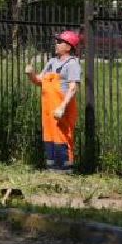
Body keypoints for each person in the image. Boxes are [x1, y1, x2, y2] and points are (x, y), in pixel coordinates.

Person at [25, 30, 82, 170]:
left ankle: (64, 170)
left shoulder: (72, 64)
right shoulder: (51, 62)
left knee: (62, 137)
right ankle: (52, 169)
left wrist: (62, 107)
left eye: (59, 42)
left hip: (62, 111)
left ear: (68, 47)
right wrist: (31, 74)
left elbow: (73, 88)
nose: (56, 44)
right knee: (49, 138)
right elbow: (39, 81)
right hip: (48, 111)